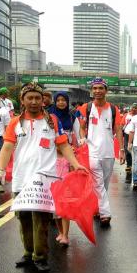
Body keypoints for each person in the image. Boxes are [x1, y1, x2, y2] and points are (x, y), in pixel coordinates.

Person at [0, 82, 86, 272]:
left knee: (41, 219)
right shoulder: (15, 122)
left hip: (44, 178)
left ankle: (40, 256)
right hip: (21, 178)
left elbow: (63, 145)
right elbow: (7, 147)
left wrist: (75, 163)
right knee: (23, 217)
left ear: (43, 100)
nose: (34, 102)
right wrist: (0, 169)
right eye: (30, 98)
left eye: (38, 98)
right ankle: (28, 253)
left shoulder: (52, 120)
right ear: (22, 100)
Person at [75, 77, 125, 228]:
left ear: (106, 90)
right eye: (95, 88)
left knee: (104, 185)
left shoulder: (113, 109)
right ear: (92, 90)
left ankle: (97, 208)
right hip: (92, 152)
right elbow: (81, 127)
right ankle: (105, 213)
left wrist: (121, 149)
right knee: (98, 183)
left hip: (109, 153)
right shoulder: (86, 108)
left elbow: (118, 130)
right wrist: (82, 139)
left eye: (100, 88)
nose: (97, 91)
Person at [50, 91, 77, 246]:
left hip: (66, 162)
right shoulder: (49, 117)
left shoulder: (72, 117)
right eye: (58, 100)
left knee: (64, 201)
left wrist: (74, 159)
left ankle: (66, 234)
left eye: (63, 100)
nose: (61, 103)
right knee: (54, 203)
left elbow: (74, 139)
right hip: (51, 162)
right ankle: (60, 232)